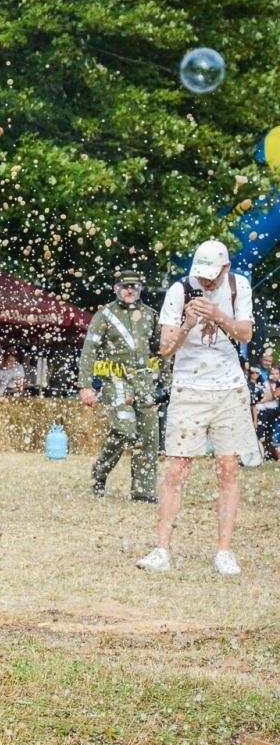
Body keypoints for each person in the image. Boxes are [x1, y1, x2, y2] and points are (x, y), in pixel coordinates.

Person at [137, 241, 259, 575]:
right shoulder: (178, 290)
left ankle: (224, 551)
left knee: (228, 468)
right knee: (177, 468)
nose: (205, 283)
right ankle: (162, 549)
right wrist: (189, 323)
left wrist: (217, 315)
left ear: (226, 268)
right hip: (188, 386)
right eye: (201, 276)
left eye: (212, 277)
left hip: (228, 388)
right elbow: (165, 349)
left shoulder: (239, 286)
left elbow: (246, 334)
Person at [78, 269, 160, 501]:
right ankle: (100, 472)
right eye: (125, 286)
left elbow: (162, 351)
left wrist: (166, 382)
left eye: (134, 286)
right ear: (116, 288)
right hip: (115, 381)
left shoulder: (150, 316)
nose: (130, 290)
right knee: (125, 429)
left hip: (144, 384)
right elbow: (89, 351)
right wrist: (85, 385)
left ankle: (143, 492)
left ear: (140, 289)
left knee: (148, 436)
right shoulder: (104, 315)